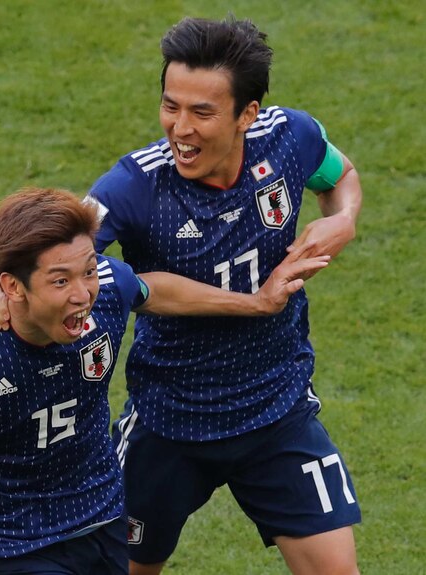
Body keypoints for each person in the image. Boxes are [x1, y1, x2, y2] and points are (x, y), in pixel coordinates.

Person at [0, 188, 328, 575]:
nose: (82, 296)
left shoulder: (107, 294)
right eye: (59, 281)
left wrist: (256, 302)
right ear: (11, 285)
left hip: (101, 516)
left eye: (88, 271)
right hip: (13, 540)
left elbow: (151, 289)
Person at [83, 16, 363, 575]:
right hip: (169, 423)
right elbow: (63, 254)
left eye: (202, 112)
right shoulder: (134, 184)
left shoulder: (290, 137)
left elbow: (341, 175)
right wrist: (0, 283)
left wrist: (345, 219)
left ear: (247, 114)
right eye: (171, 106)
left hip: (276, 410)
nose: (180, 129)